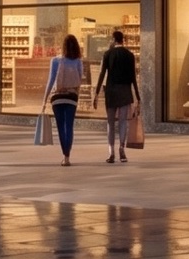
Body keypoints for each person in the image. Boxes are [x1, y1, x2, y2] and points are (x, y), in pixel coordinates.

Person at [97, 28, 138, 164]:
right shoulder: (130, 55)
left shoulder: (108, 54)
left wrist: (96, 93)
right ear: (123, 40)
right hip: (125, 91)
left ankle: (111, 152)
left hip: (111, 91)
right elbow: (133, 77)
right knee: (122, 122)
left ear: (114, 40)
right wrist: (137, 96)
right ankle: (122, 148)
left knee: (110, 123)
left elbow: (102, 74)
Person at [45, 34, 87, 166]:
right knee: (69, 126)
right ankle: (67, 156)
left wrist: (44, 99)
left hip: (57, 97)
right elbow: (80, 79)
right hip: (72, 97)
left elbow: (51, 80)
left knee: (60, 127)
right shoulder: (78, 61)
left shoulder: (55, 60)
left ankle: (64, 154)